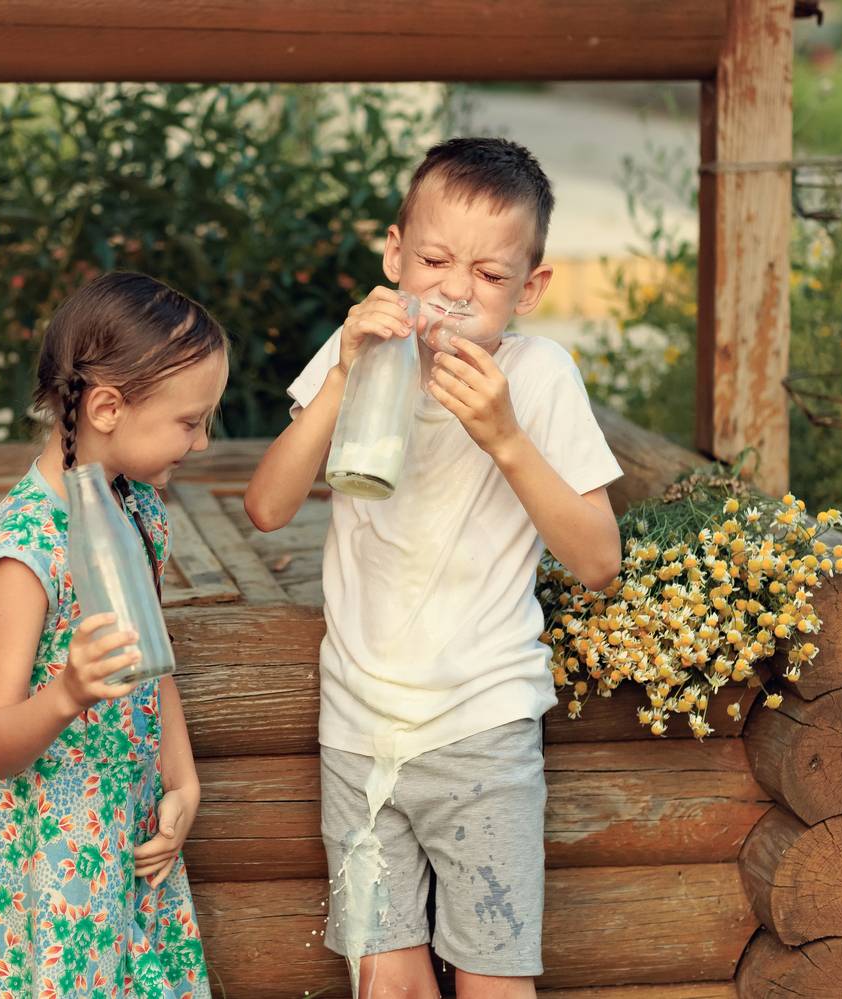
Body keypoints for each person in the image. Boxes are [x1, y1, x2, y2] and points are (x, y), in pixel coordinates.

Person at [244, 137, 623, 998]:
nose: (455, 289)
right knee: (388, 985)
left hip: (482, 724)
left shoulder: (538, 376)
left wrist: (505, 437)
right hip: (357, 726)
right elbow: (267, 505)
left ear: (530, 288)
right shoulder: (359, 352)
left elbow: (599, 558)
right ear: (394, 253)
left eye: (489, 274)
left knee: (493, 985)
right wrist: (342, 373)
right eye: (434, 260)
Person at [0, 271, 229, 998]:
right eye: (190, 421)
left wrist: (184, 780)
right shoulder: (27, 550)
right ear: (107, 407)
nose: (202, 442)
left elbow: (153, 661)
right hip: (56, 862)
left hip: (129, 837)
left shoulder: (137, 508)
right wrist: (67, 692)